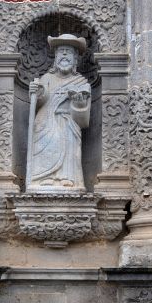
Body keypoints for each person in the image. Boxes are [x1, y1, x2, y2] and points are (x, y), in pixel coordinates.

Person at [26, 34, 91, 193]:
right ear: (55, 58)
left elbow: (83, 120)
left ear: (75, 59)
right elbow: (40, 100)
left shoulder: (82, 82)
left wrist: (79, 103)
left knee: (69, 146)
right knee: (46, 144)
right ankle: (44, 177)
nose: (64, 55)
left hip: (68, 124)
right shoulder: (46, 78)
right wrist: (37, 92)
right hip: (45, 123)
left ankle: (67, 178)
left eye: (68, 52)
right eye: (61, 51)